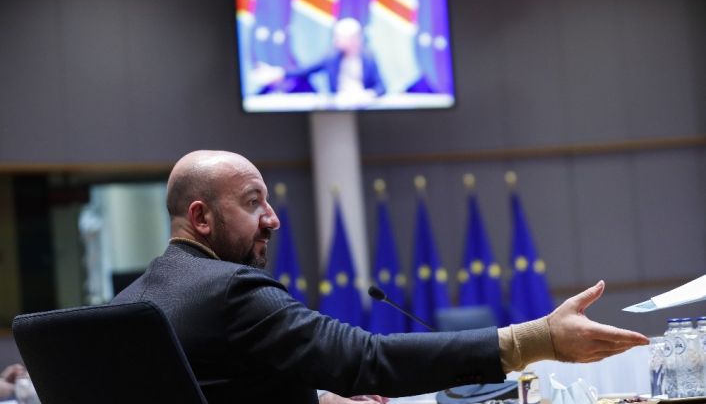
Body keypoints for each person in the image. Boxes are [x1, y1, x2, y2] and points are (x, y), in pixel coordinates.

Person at [112, 150, 648, 404]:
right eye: (254, 203)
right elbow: (366, 360)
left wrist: (319, 402)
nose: (272, 219)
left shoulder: (131, 304)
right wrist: (538, 338)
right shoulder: (231, 291)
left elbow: (220, 390)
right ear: (202, 217)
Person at [260, 18, 386, 100]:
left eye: (340, 37)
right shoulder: (332, 57)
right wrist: (281, 73)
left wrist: (368, 95)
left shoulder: (368, 58)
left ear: (354, 39)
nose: (336, 40)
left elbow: (381, 87)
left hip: (363, 105)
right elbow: (306, 70)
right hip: (339, 105)